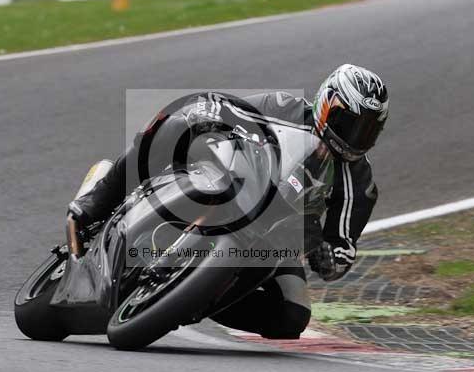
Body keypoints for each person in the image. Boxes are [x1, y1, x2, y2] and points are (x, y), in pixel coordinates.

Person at [68, 64, 390, 339]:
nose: (354, 137)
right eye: (349, 124)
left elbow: (339, 257)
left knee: (294, 315)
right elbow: (226, 108)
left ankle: (197, 298)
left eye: (367, 131)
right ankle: (98, 199)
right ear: (326, 104)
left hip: (276, 239)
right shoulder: (285, 106)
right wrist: (211, 119)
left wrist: (317, 246)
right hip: (233, 180)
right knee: (175, 124)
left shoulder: (359, 187)